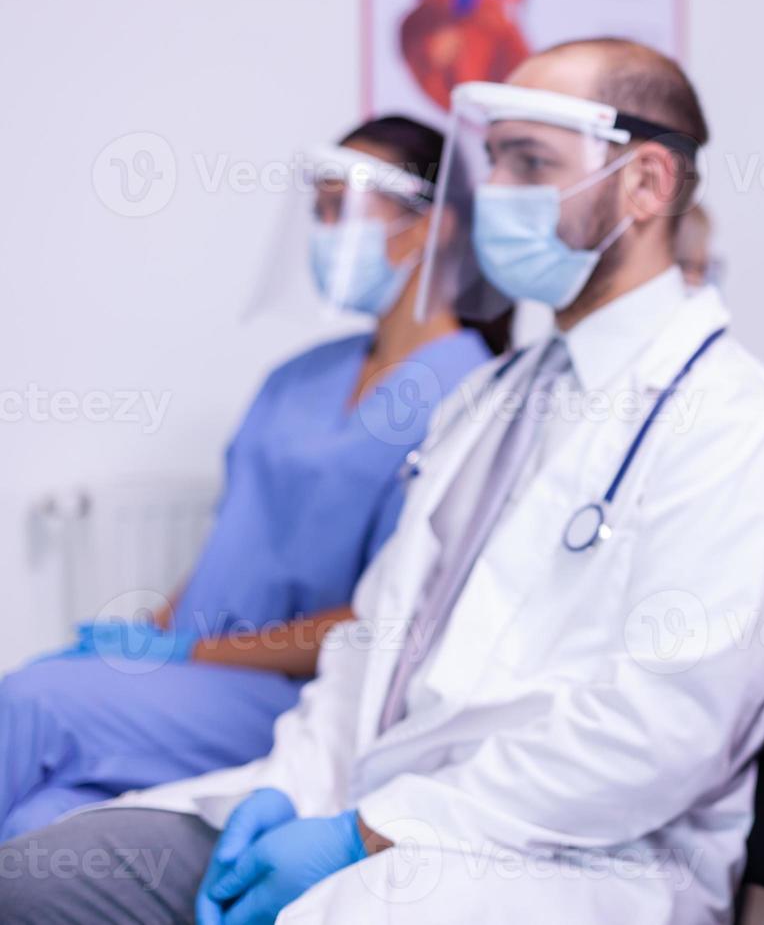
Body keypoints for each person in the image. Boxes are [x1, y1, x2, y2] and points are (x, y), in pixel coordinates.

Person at [0, 39, 764, 924]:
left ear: (647, 184)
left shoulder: (738, 429)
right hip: (369, 806)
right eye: (495, 158)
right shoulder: (491, 397)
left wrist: (368, 834)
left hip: (579, 862)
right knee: (41, 875)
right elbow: (372, 641)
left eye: (532, 162)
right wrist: (295, 790)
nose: (496, 195)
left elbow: (659, 738)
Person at [0, 116, 497, 841]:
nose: (326, 231)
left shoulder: (474, 395)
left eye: (343, 209)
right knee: (42, 822)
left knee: (33, 701)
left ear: (427, 228)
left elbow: (389, 618)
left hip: (300, 701)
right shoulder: (298, 378)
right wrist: (147, 642)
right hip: (199, 676)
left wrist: (186, 656)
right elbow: (232, 546)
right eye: (318, 210)